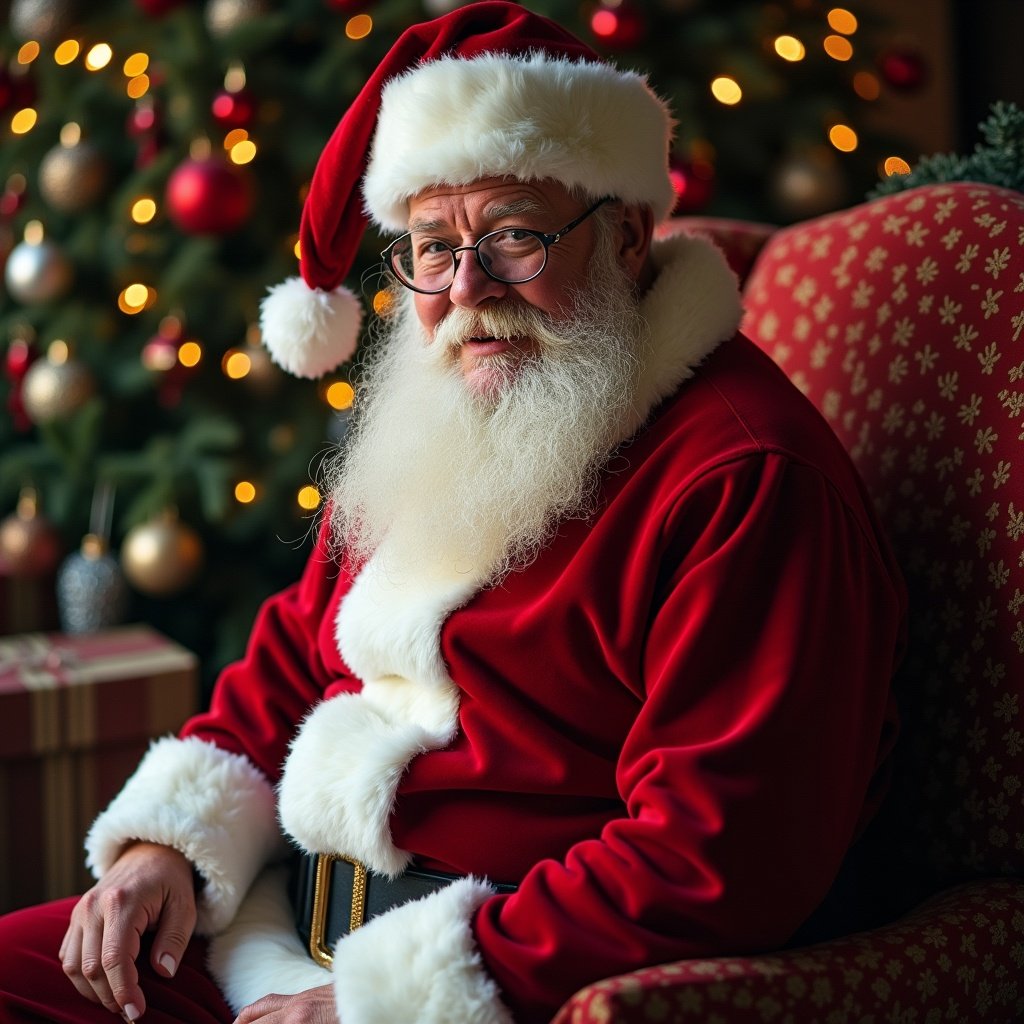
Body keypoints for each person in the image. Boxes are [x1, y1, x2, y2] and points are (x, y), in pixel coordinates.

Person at [0, 3, 905, 1023]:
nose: (466, 286)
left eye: (514, 235)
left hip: (474, 984)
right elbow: (293, 663)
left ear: (626, 234)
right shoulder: (449, 415)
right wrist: (167, 844)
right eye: (432, 246)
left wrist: (375, 1003)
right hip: (271, 927)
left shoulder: (745, 479)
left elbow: (719, 854)